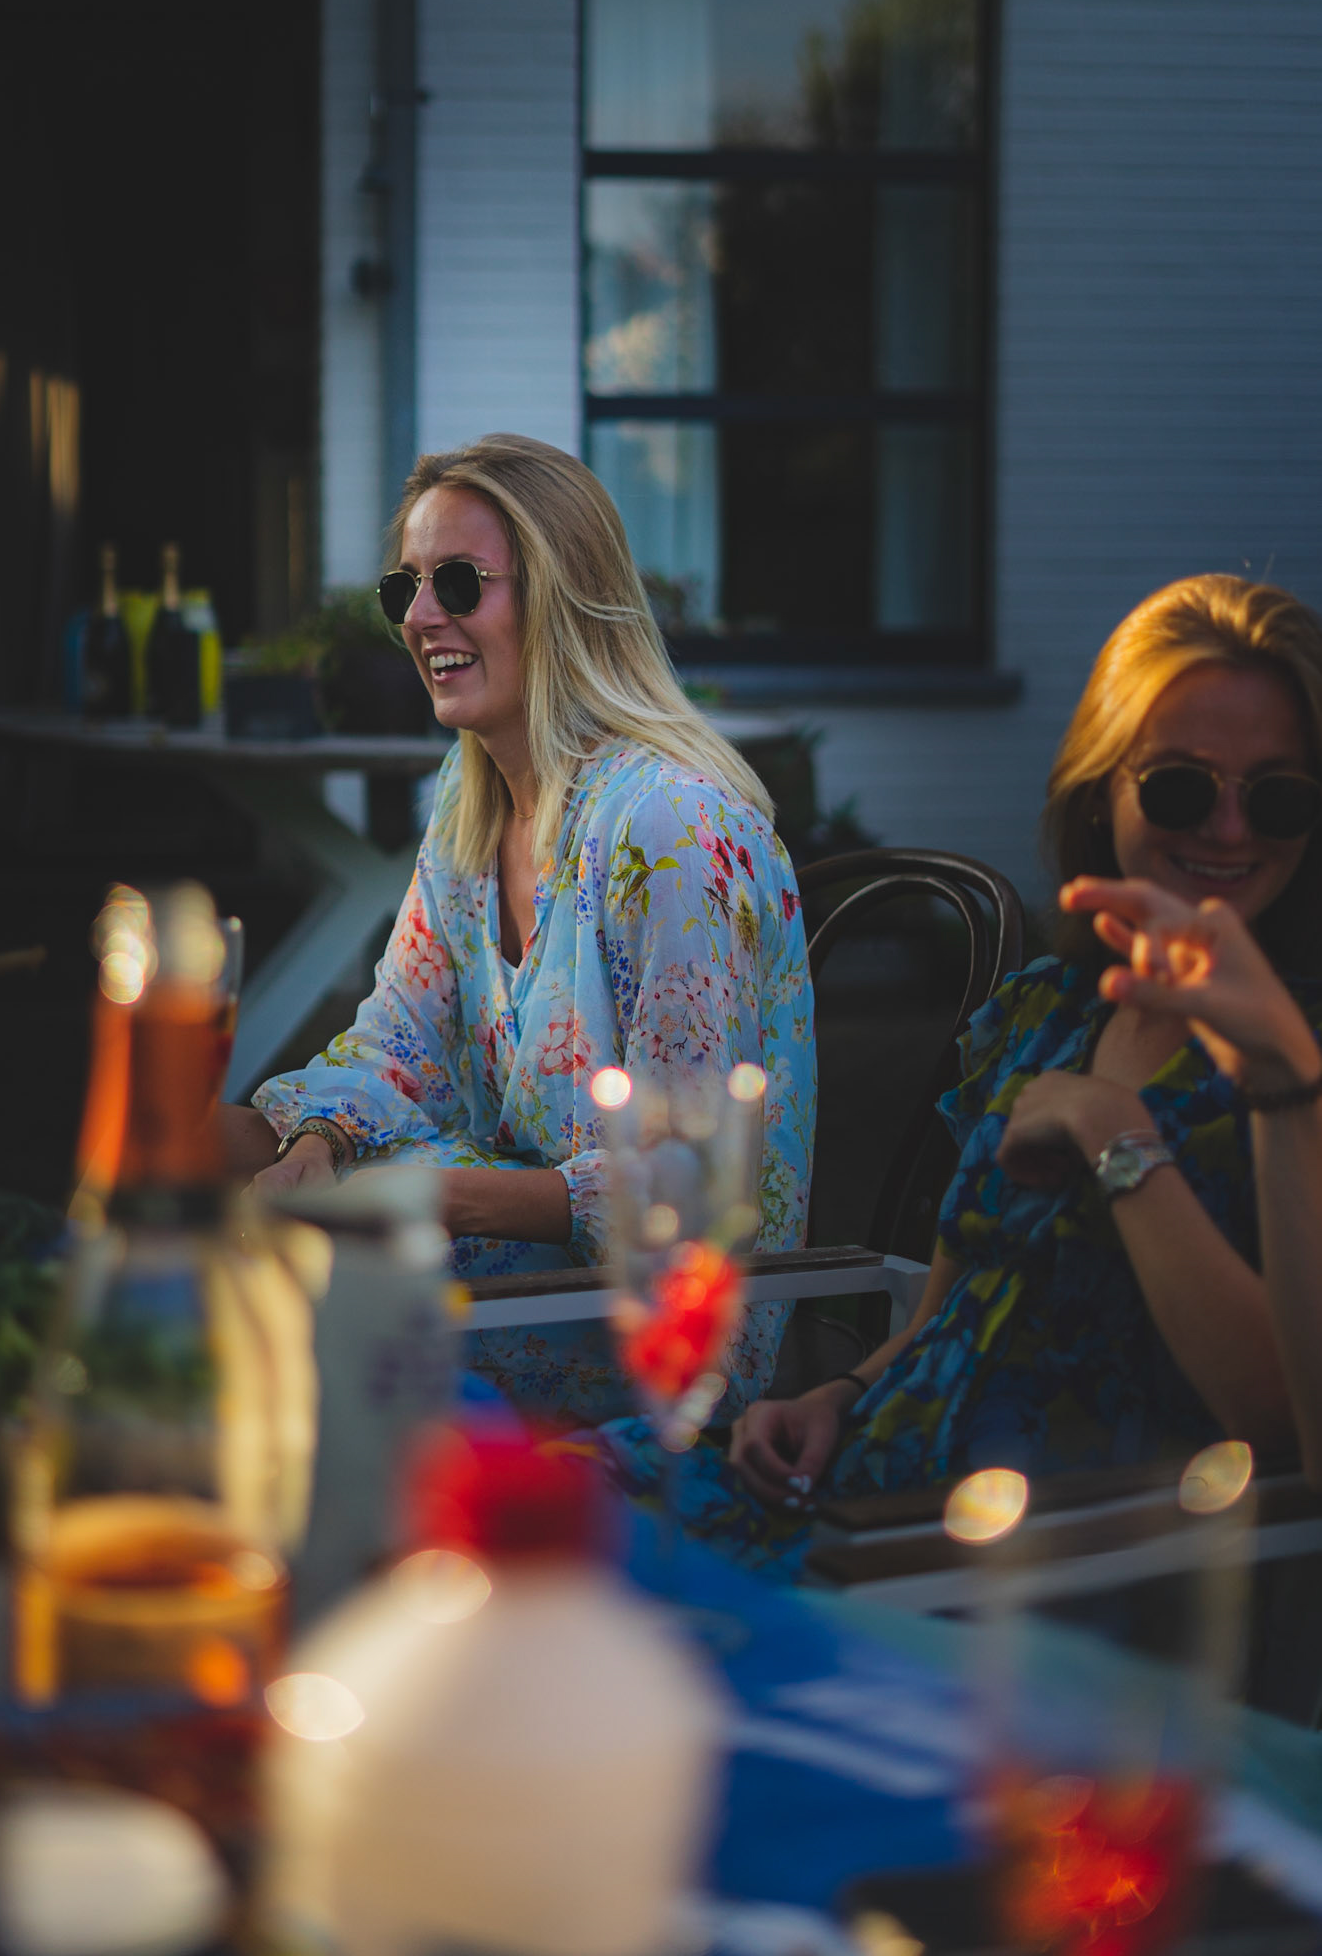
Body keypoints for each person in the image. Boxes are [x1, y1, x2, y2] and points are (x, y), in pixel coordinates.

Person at [596, 573, 1322, 1570]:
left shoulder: (1296, 1062)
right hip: (860, 1478)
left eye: (1277, 796)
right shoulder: (1046, 1012)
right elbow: (955, 1302)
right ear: (1101, 792)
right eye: (1181, 786)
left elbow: (1281, 1421)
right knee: (508, 1503)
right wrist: (837, 1396)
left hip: (980, 1566)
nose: (1229, 830)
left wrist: (1114, 1133)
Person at [219, 435, 814, 1424]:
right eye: (404, 587)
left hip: (652, 1335)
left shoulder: (667, 827)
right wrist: (318, 1140)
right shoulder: (473, 796)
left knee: (259, 1295)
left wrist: (433, 1195)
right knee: (196, 1155)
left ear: (564, 596)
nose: (420, 617)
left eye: (458, 581)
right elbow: (399, 1042)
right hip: (512, 1265)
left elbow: (687, 1193)